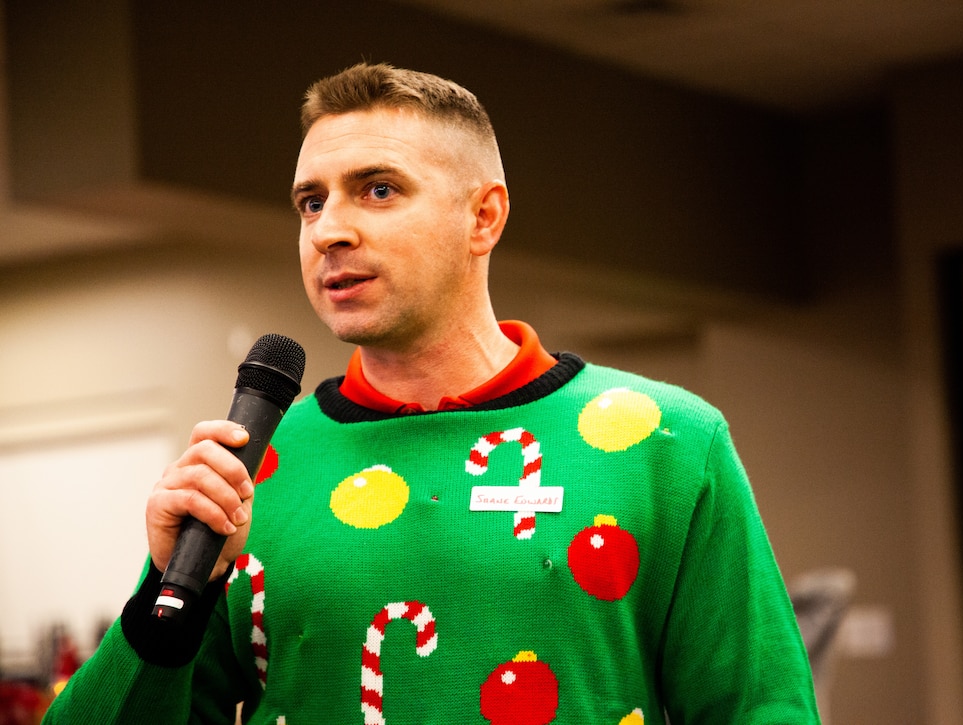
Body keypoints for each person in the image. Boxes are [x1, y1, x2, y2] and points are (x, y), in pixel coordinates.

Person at [44, 62, 819, 724]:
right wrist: (166, 596)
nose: (328, 230)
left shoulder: (667, 443)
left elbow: (761, 704)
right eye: (310, 201)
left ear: (483, 216)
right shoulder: (256, 468)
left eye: (377, 190)